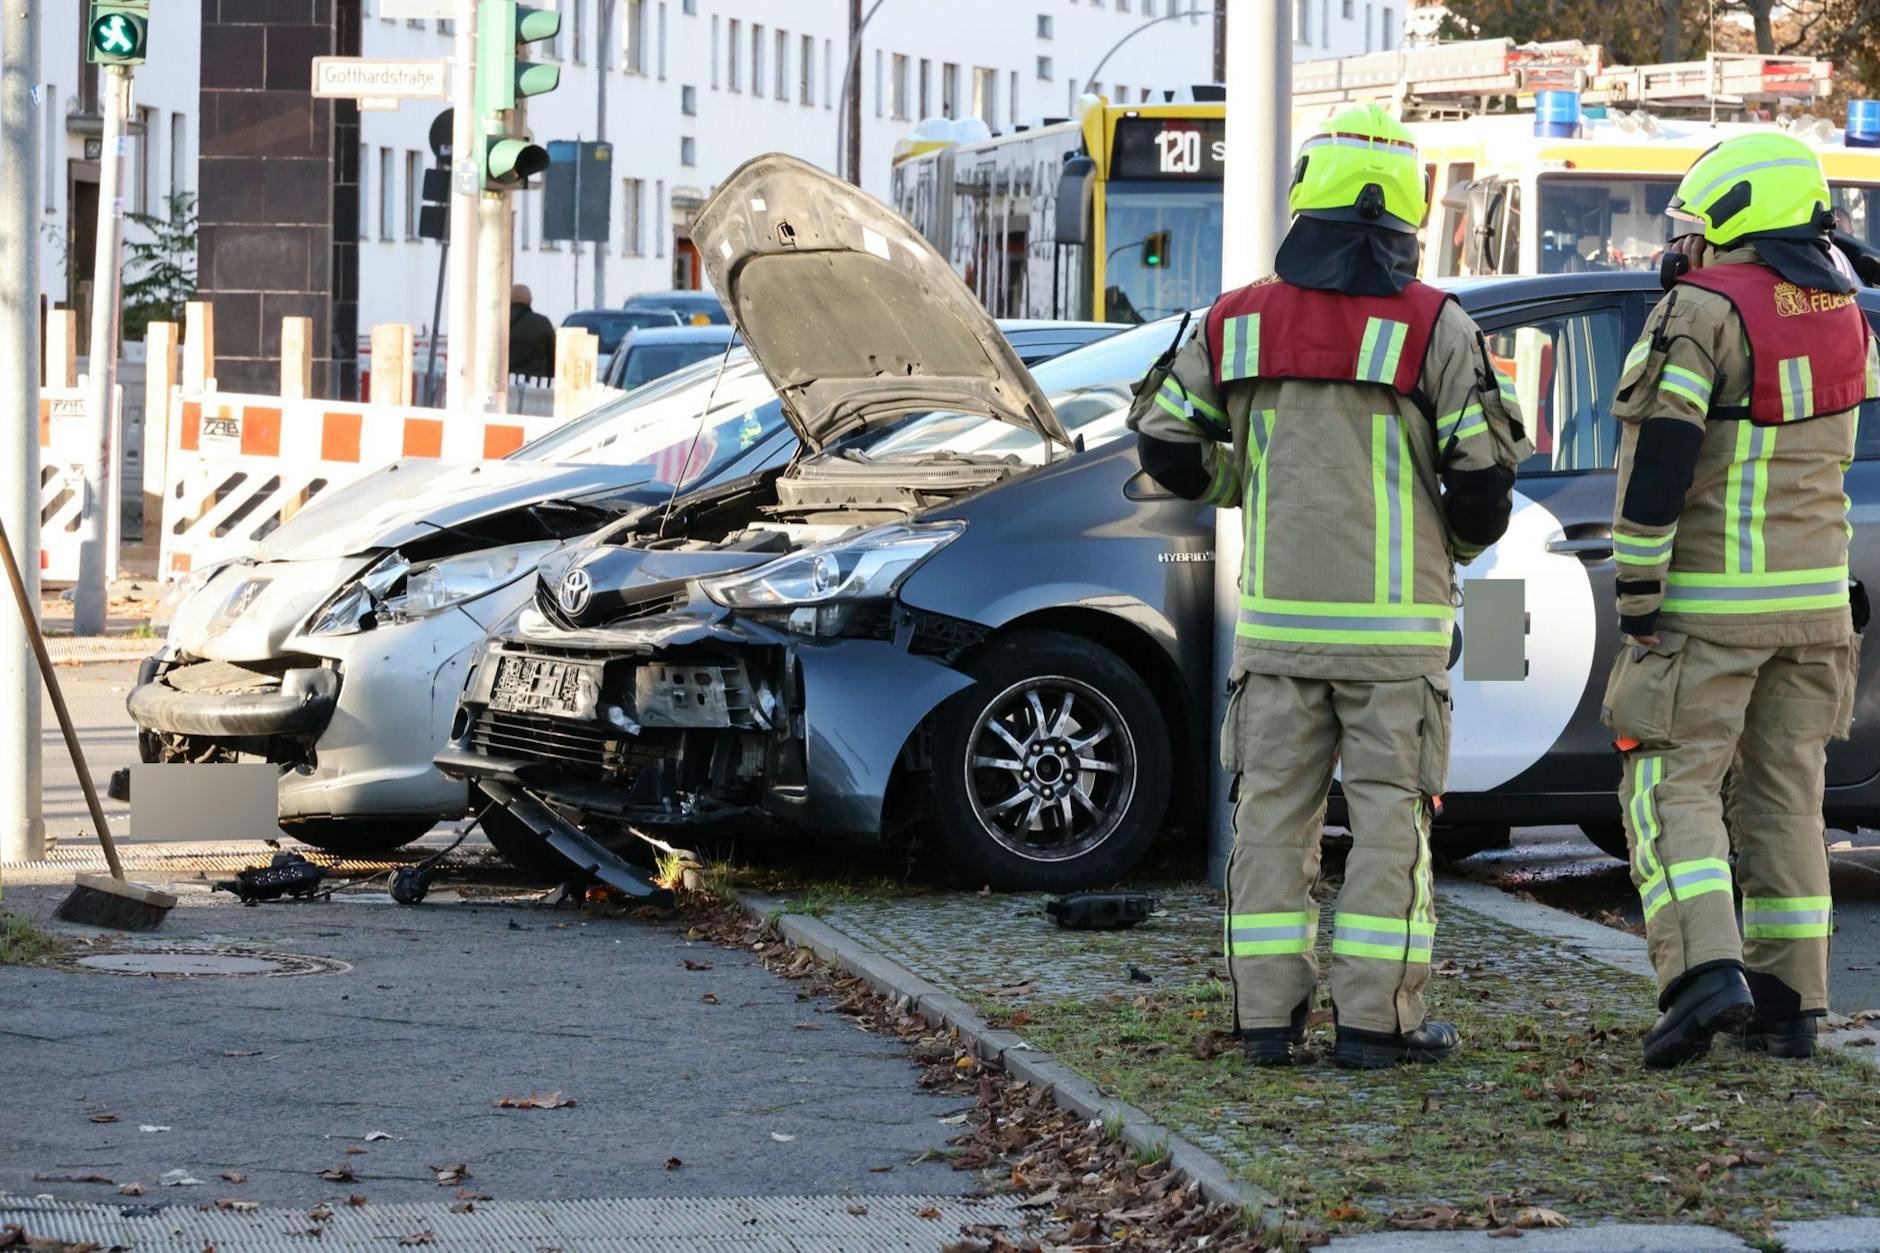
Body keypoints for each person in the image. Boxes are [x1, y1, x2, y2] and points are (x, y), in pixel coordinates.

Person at [1127, 105, 1529, 1069]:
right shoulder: (1435, 325)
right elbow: (1482, 483)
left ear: (1304, 197)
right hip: (1397, 644)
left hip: (1274, 635)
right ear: (1407, 209)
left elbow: (1163, 442)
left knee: (1270, 821)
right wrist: (1450, 541)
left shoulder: (1238, 318)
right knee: (1393, 827)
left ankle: (1265, 1021)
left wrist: (1243, 484)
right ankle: (1375, 1026)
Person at [1602, 132, 1876, 1067]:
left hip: (1710, 608)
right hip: (1818, 613)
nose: (1683, 246)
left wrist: (1637, 597)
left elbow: (1659, 467)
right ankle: (1792, 1008)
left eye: (1695, 228)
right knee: (1787, 801)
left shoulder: (1700, 313)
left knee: (1665, 778)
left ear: (1736, 220)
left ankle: (1702, 972)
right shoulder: (1847, 314)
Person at [510, 285, 556, 380]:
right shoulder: (543, 323)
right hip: (537, 384)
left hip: (504, 383)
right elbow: (553, 357)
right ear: (530, 300)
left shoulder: (496, 323)